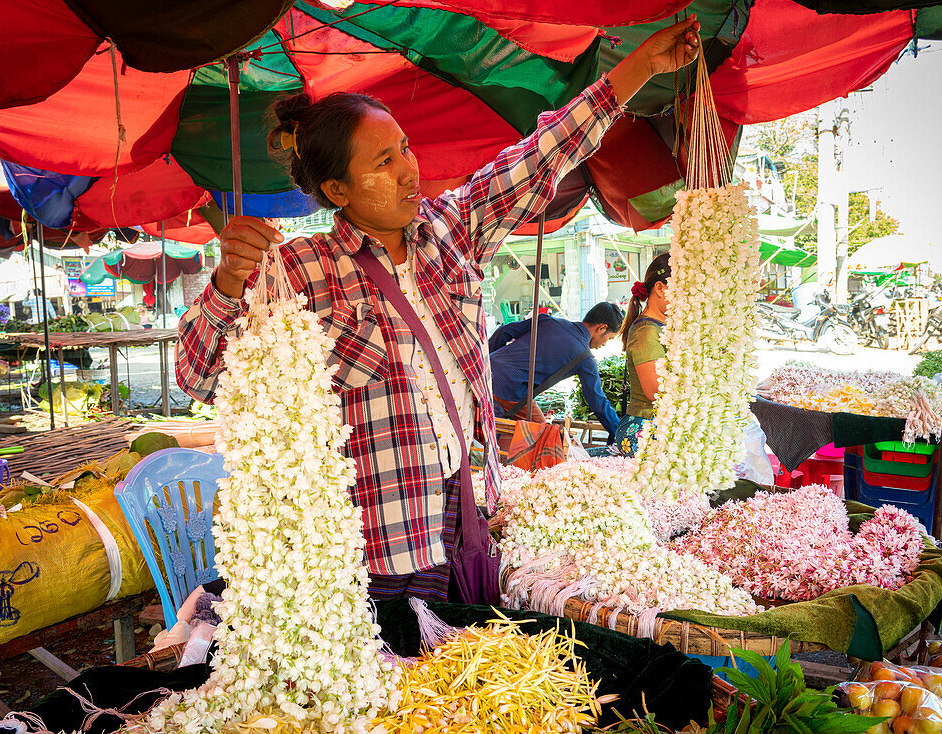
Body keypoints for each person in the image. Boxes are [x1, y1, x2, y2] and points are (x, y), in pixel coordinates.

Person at [176, 18, 700, 601]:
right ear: (337, 192)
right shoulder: (300, 271)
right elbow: (200, 376)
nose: (408, 169)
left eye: (404, 148)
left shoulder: (453, 231)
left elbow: (544, 152)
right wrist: (226, 281)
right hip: (379, 542)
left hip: (467, 513)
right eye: (381, 163)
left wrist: (640, 69)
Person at [487, 302, 622, 438]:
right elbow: (597, 400)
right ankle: (499, 455)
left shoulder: (549, 321)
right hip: (508, 387)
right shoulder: (585, 359)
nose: (604, 344)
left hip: (485, 370)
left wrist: (487, 361)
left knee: (515, 426)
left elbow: (503, 331)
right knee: (543, 436)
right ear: (601, 328)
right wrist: (619, 433)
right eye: (609, 338)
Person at [615, 254, 671, 456]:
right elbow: (655, 392)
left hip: (661, 424)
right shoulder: (646, 331)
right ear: (660, 288)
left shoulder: (663, 325)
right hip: (645, 428)